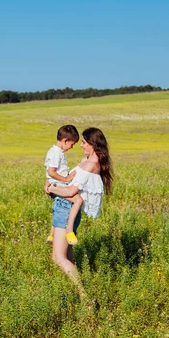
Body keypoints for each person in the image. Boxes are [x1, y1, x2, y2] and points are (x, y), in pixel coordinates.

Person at [45, 127, 113, 304]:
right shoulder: (88, 159)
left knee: (58, 257)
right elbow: (68, 179)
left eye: (83, 142)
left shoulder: (91, 164)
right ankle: (80, 294)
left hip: (66, 208)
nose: (81, 145)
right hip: (66, 208)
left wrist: (51, 188)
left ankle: (85, 297)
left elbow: (72, 190)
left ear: (93, 144)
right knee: (66, 257)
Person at [45, 125, 84, 246]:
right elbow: (51, 171)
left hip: (56, 183)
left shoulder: (53, 151)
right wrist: (66, 178)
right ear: (65, 140)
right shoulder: (57, 153)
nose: (71, 147)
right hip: (59, 185)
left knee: (57, 209)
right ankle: (69, 230)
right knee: (78, 200)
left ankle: (52, 235)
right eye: (71, 144)